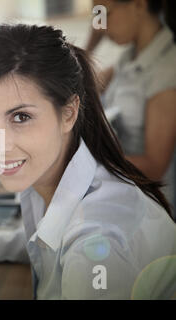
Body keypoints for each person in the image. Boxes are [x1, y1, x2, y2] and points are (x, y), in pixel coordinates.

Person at [0, 24, 176, 299]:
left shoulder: (95, 251)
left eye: (21, 117)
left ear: (69, 114)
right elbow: (48, 240)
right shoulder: (53, 175)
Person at [87, 0, 176, 211]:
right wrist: (92, 42)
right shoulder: (127, 58)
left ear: (138, 5)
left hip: (149, 211)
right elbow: (80, 88)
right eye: (96, 16)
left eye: (104, 13)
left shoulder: (166, 70)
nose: (100, 24)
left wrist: (88, 161)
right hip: (122, 197)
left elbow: (154, 167)